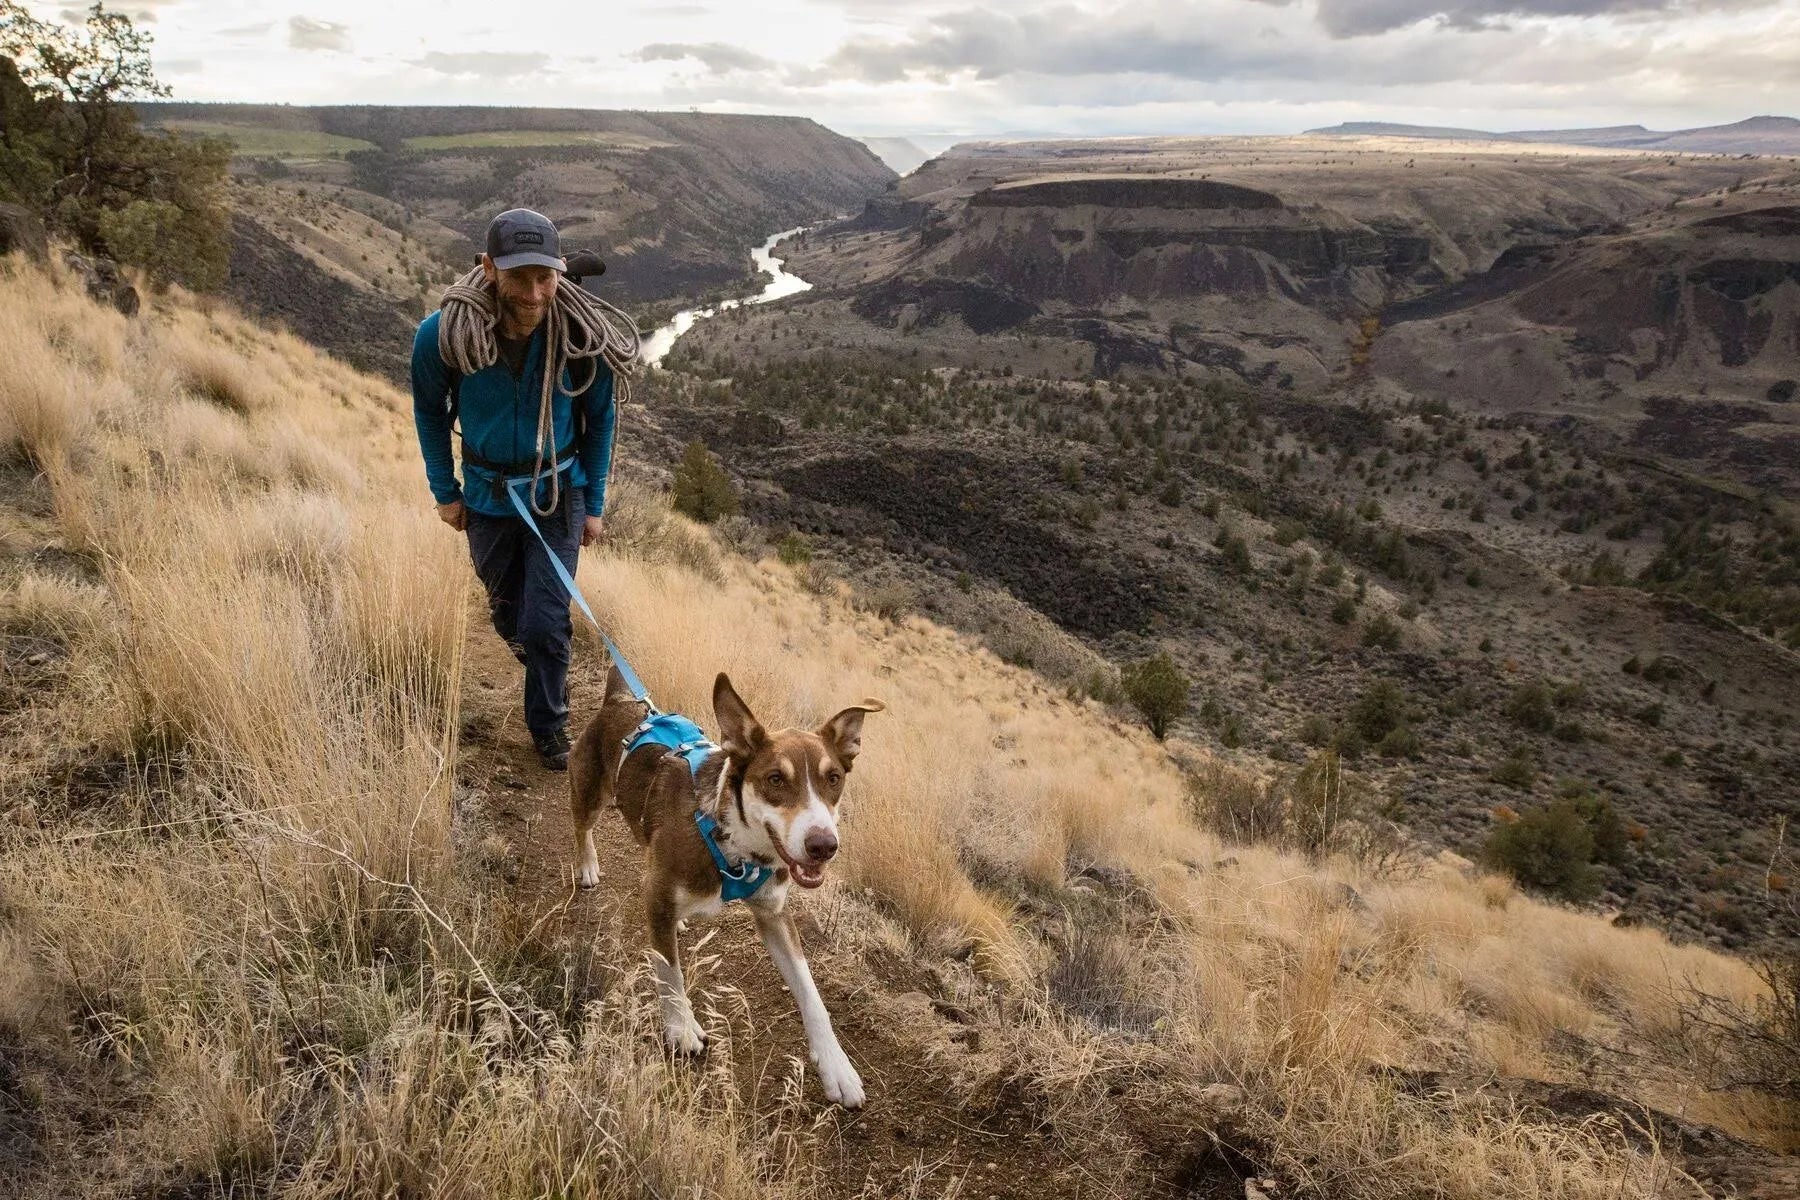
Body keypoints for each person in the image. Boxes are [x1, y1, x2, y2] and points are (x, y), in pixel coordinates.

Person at [412, 208, 617, 770]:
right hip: (487, 495)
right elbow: (430, 413)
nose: (533, 293)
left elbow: (601, 421)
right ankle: (546, 666)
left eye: (545, 277)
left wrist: (593, 504)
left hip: (558, 494)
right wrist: (444, 489)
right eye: (519, 276)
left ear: (560, 272)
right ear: (488, 268)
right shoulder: (440, 338)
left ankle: (550, 728)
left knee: (545, 621)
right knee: (508, 614)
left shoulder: (581, 336)